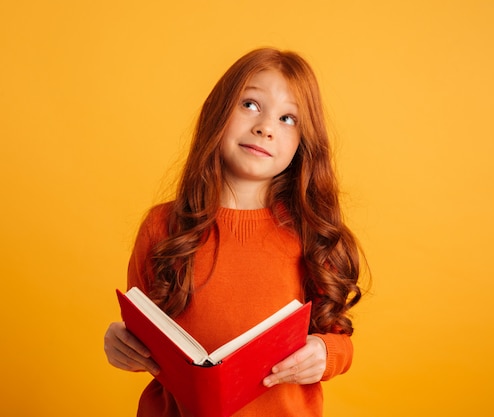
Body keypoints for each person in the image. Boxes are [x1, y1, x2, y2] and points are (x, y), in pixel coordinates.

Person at [104, 47, 365, 417]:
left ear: (303, 144)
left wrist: (327, 354)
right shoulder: (162, 226)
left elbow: (339, 340)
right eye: (251, 105)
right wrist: (119, 343)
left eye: (288, 118)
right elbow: (141, 334)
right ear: (218, 112)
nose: (266, 127)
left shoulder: (310, 235)